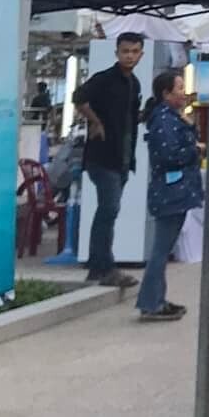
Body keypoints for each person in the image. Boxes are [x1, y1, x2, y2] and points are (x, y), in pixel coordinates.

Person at [74, 32, 145, 289]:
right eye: (125, 51)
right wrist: (95, 121)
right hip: (102, 157)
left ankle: (99, 267)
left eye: (134, 51)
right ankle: (104, 266)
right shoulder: (104, 79)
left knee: (109, 211)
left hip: (123, 158)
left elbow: (128, 118)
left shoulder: (134, 83)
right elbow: (78, 98)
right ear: (117, 53)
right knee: (109, 209)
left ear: (141, 54)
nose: (129, 56)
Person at [137, 70, 203, 321]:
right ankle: (151, 302)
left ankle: (156, 299)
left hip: (177, 190)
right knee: (161, 249)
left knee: (163, 249)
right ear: (166, 94)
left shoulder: (172, 118)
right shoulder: (163, 121)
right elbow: (169, 155)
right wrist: (194, 150)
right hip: (170, 192)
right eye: (179, 88)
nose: (184, 93)